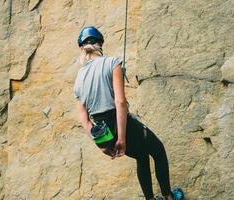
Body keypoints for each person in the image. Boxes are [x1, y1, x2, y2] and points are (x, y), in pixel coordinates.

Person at [73, 26, 184, 200]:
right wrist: (122, 138)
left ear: (82, 48)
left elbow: (84, 119)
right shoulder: (112, 62)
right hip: (120, 123)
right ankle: (169, 196)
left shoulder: (78, 78)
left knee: (141, 156)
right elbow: (120, 102)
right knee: (158, 150)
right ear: (100, 44)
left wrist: (101, 144)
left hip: (103, 131)